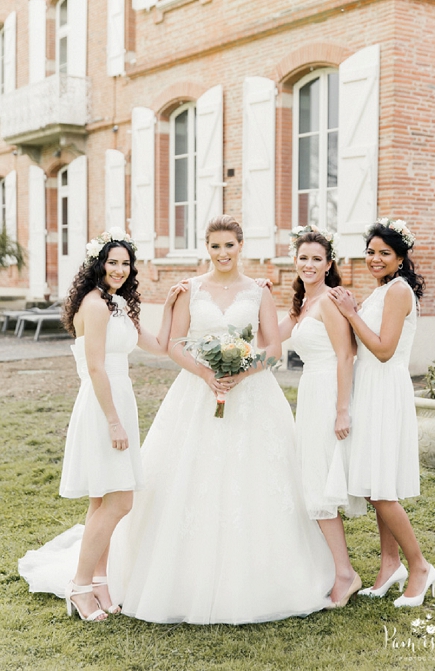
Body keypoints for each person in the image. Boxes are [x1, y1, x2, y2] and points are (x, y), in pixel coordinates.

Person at [104, 215, 333, 623]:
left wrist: (240, 373)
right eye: (215, 247)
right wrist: (208, 374)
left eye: (229, 246)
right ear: (206, 248)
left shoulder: (259, 290)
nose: (223, 254)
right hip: (197, 391)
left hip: (253, 396)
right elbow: (173, 343)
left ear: (241, 246)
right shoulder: (188, 290)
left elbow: (274, 348)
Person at [18, 229, 184, 621]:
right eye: (112, 262)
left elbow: (159, 346)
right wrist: (113, 421)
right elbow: (95, 367)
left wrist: (175, 303)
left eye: (126, 264)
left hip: (118, 401)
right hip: (101, 405)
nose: (120, 269)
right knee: (120, 500)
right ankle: (79, 586)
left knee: (102, 500)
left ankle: (100, 581)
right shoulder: (94, 305)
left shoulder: (119, 305)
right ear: (98, 264)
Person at [327, 217, 435, 607]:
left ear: (401, 257)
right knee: (376, 485)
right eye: (370, 251)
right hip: (369, 388)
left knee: (381, 490)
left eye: (384, 253)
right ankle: (390, 565)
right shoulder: (383, 290)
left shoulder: (398, 292)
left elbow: (385, 349)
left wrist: (352, 313)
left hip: (386, 390)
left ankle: (419, 566)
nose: (374, 258)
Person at [275, 225, 364, 608]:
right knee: (313, 479)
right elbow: (267, 339)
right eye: (303, 258)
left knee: (320, 483)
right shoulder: (302, 304)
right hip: (310, 392)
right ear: (295, 262)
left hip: (330, 391)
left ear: (328, 265)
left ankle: (345, 574)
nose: (309, 264)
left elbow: (346, 355)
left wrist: (342, 410)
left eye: (316, 259)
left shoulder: (328, 301)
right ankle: (340, 569)